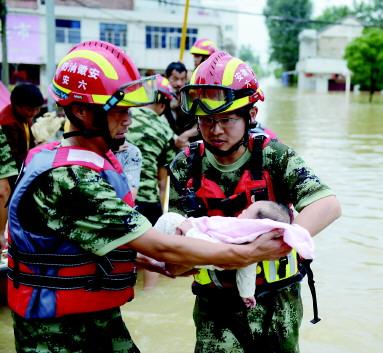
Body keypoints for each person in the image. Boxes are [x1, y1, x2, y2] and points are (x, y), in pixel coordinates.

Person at [7, 40, 291, 353]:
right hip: (57, 333)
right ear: (81, 111)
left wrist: (154, 264)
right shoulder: (71, 178)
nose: (128, 120)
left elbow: (90, 245)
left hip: (94, 317)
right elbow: (159, 244)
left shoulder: (70, 157)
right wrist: (248, 255)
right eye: (118, 111)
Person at [169, 51, 341, 353]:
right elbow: (173, 243)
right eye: (207, 121)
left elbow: (327, 205)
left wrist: (280, 242)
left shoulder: (275, 157)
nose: (216, 130)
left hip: (277, 305)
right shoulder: (185, 166)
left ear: (250, 115)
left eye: (226, 119)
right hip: (215, 307)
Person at [154, 201, 314, 309]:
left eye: (247, 212)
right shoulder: (250, 245)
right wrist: (247, 293)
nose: (243, 211)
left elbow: (209, 248)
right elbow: (247, 269)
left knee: (167, 223)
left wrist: (190, 230)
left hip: (187, 238)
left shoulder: (239, 238)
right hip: (193, 254)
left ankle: (143, 258)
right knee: (154, 251)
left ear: (256, 225)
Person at [127, 76, 177, 225]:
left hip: (121, 197)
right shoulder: (165, 131)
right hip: (148, 202)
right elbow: (163, 182)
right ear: (162, 105)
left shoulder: (123, 118)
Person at [0, 83, 44, 245]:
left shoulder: (24, 117)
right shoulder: (8, 123)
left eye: (38, 109)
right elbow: (14, 155)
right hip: (11, 169)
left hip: (23, 164)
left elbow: (29, 145)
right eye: (31, 110)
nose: (34, 113)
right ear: (17, 106)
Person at [163, 61, 199, 148]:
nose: (179, 84)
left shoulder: (192, 97)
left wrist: (186, 135)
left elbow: (202, 122)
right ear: (166, 78)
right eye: (175, 79)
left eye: (182, 79)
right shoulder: (160, 99)